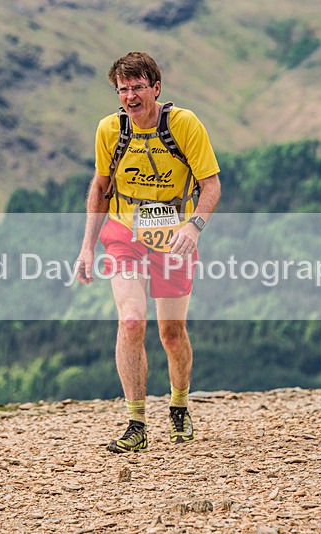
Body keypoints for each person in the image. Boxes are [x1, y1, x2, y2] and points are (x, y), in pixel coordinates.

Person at [75, 52, 221, 453]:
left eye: (138, 87)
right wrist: (87, 246)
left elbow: (211, 186)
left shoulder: (183, 125)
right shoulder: (110, 130)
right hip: (124, 235)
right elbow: (100, 187)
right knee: (132, 321)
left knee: (171, 335)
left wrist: (194, 226)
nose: (130, 96)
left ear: (156, 88)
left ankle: (178, 406)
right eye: (123, 89)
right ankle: (136, 422)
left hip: (174, 239)